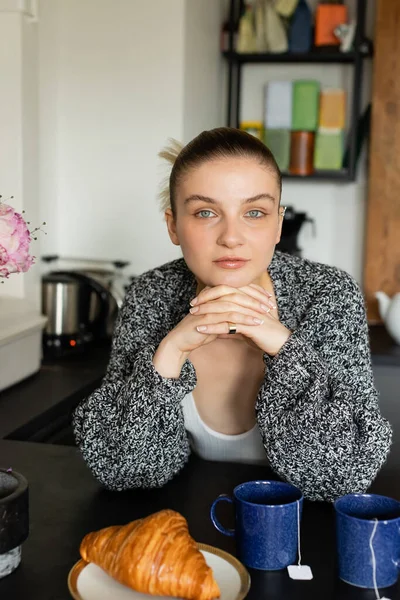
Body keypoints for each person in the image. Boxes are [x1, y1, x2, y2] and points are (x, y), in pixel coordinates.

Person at [72, 127, 392, 502]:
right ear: (174, 225)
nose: (231, 237)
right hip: (185, 531)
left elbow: (340, 478)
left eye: (254, 212)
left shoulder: (328, 294)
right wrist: (170, 352)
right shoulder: (150, 294)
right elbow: (125, 471)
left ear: (277, 224)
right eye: (206, 212)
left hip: (303, 538)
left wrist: (282, 346)